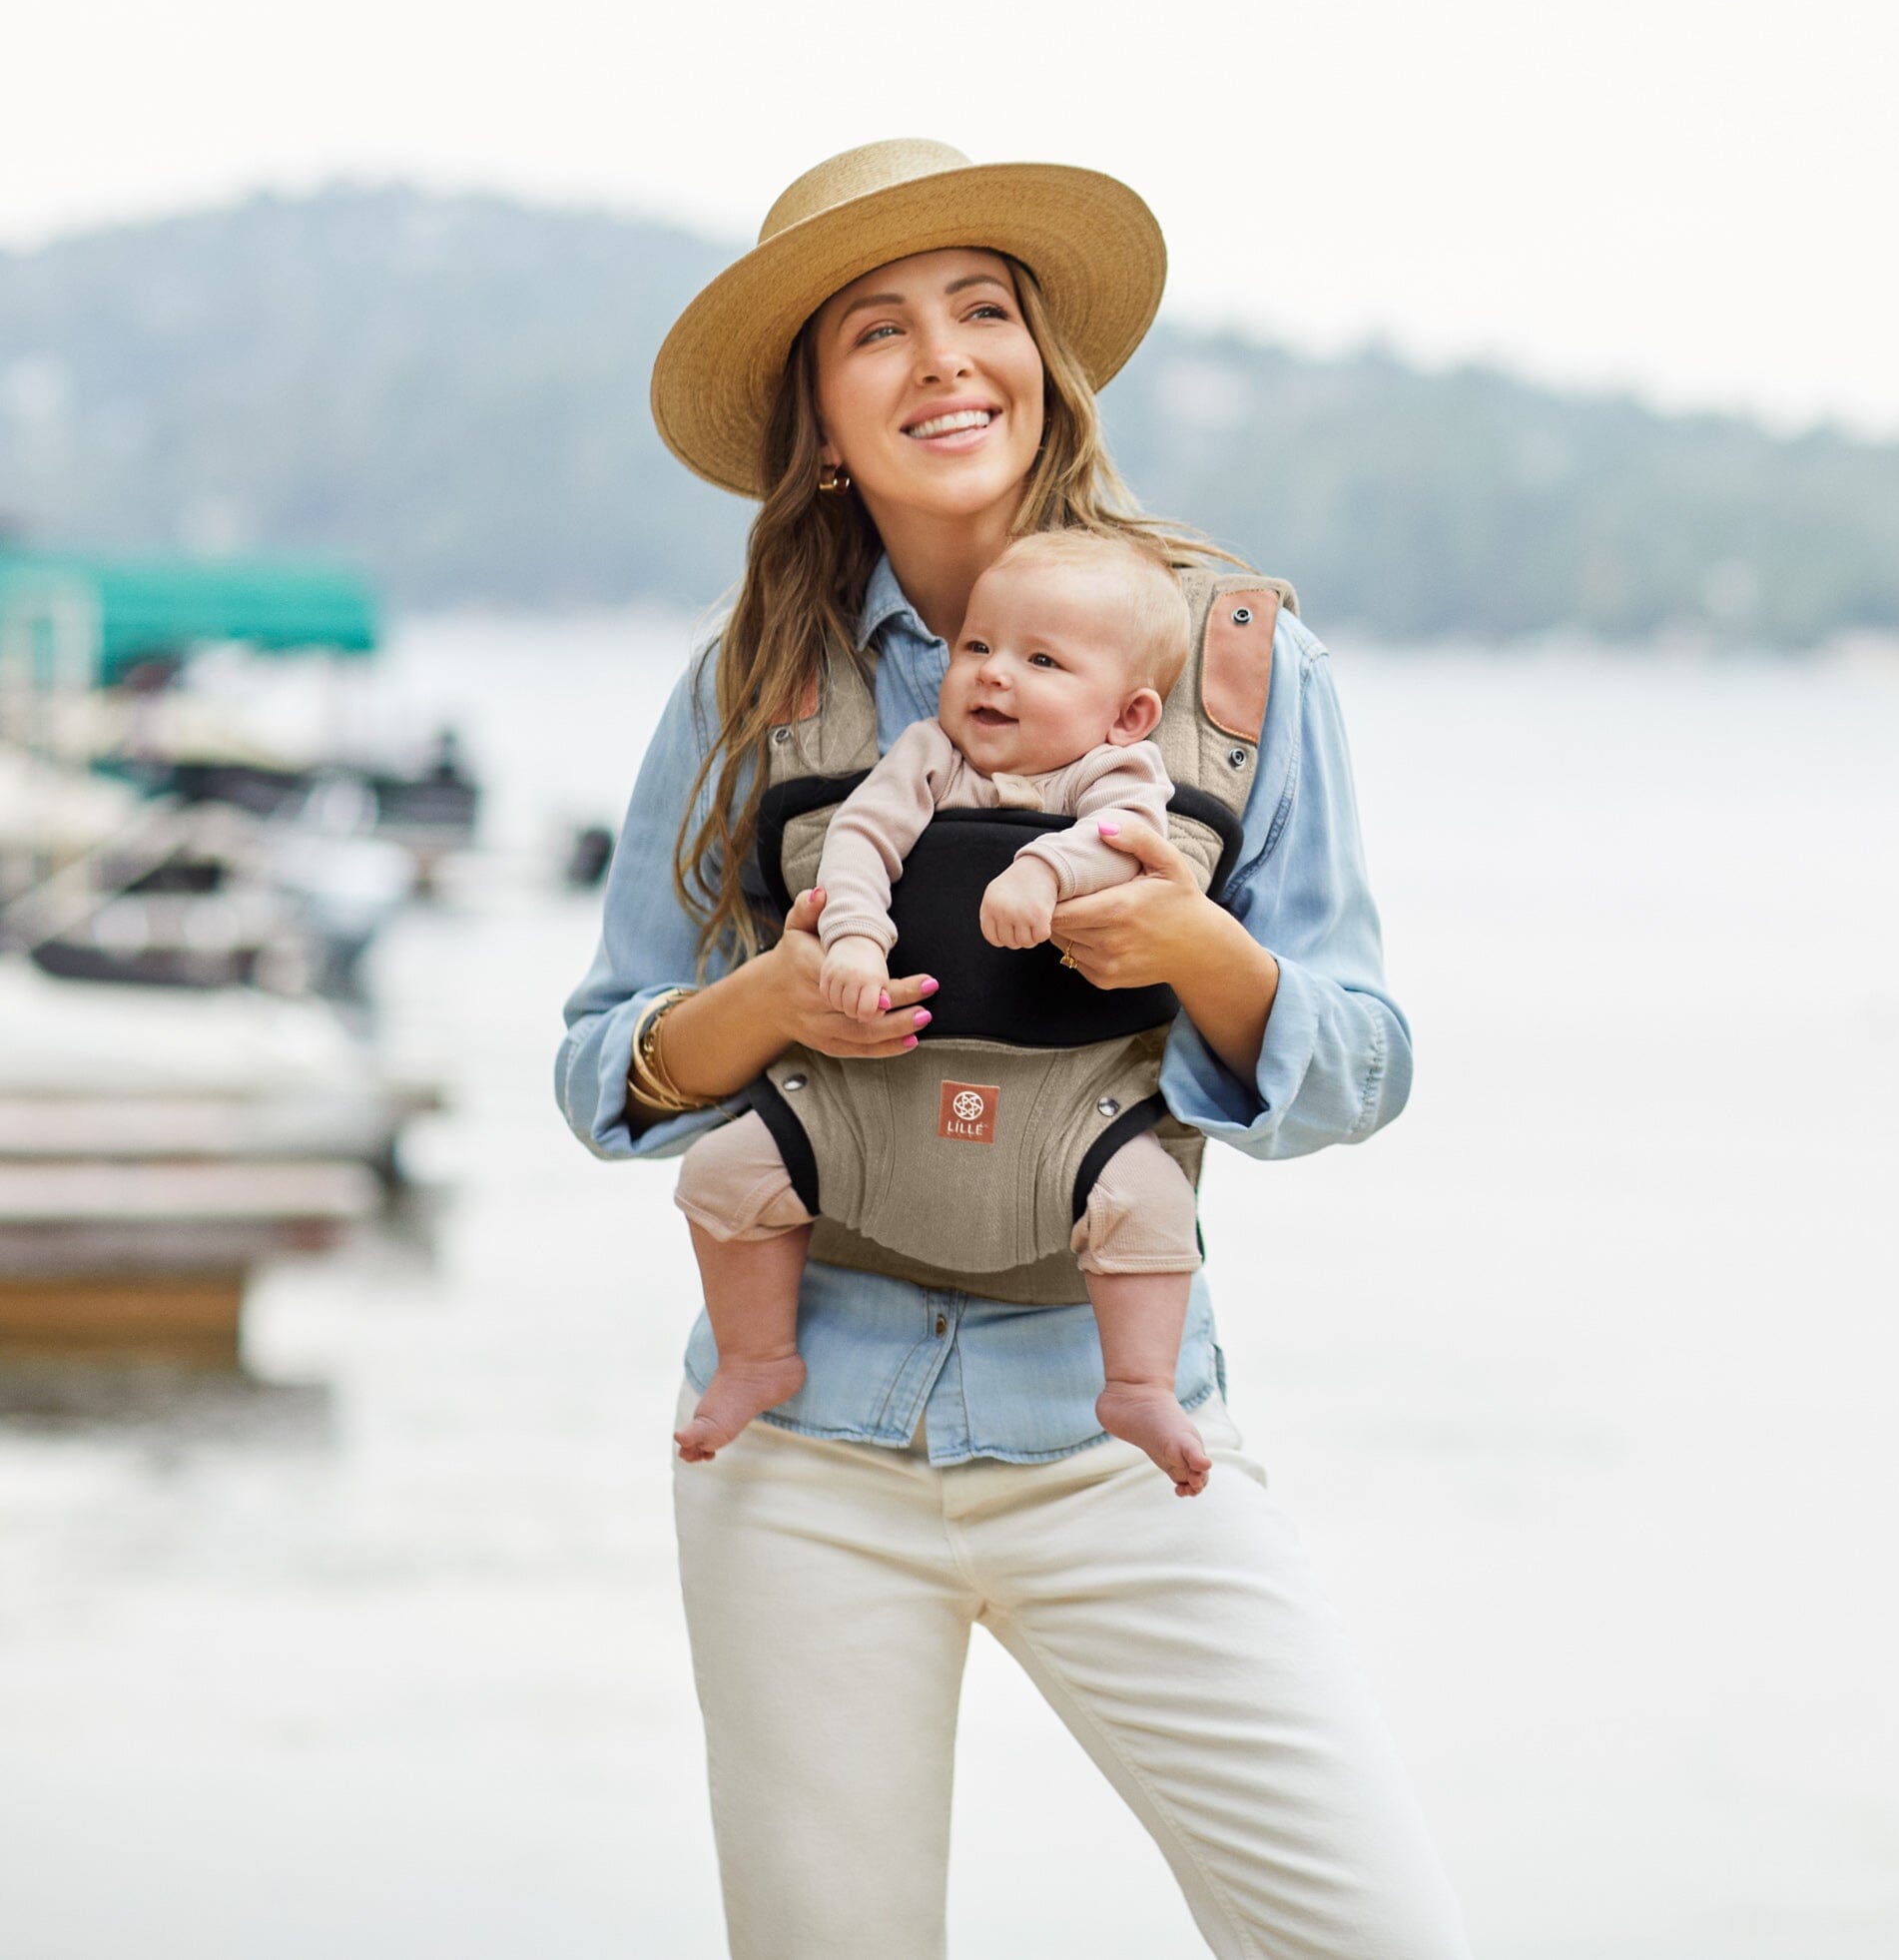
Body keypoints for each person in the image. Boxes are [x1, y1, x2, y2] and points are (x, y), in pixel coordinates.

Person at [556, 139, 1470, 1960]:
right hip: (800, 1450)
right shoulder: (747, 684)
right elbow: (603, 1072)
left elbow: (1361, 1064)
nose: (945, 358)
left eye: (985, 310)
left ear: (1048, 364)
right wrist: (777, 1004)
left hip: (1126, 1440)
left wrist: (1193, 949)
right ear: (821, 423)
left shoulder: (1231, 665)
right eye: (876, 331)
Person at [669, 528, 1212, 1492]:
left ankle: (1138, 1382)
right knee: (723, 1174)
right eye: (977, 648)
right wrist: (854, 939)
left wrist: (1044, 867)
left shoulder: (1114, 775)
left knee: (1151, 1205)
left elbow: (1123, 843)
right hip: (873, 1096)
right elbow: (859, 843)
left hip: (1061, 1114)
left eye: (1041, 660)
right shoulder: (925, 756)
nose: (995, 676)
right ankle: (757, 1355)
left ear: (1129, 714)